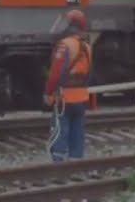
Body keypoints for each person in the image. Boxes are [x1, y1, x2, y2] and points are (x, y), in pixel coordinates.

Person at [44, 9, 93, 162]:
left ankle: (59, 164)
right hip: (82, 98)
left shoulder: (65, 46)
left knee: (60, 130)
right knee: (78, 131)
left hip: (64, 98)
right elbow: (89, 74)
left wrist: (48, 92)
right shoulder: (87, 47)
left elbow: (56, 74)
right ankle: (75, 162)